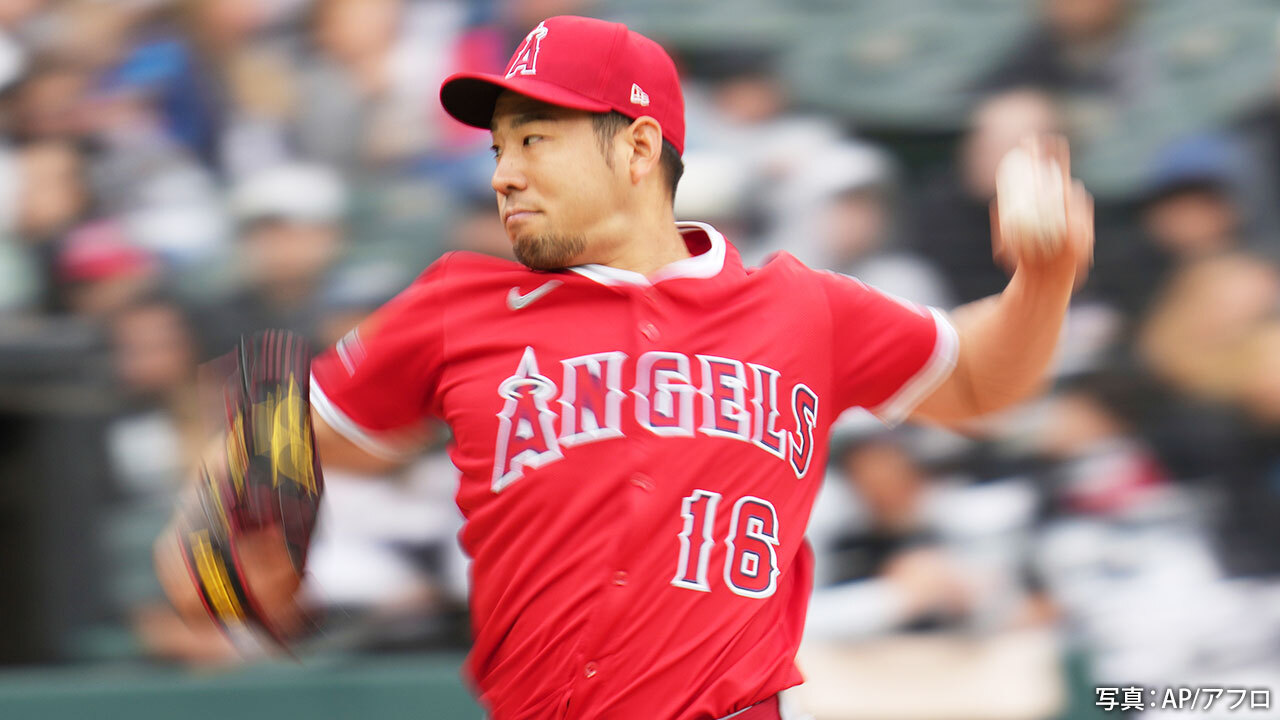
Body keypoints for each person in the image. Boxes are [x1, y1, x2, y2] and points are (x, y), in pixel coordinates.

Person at [155, 15, 1094, 720]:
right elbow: (301, 440)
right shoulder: (456, 305)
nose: (503, 173)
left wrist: (1043, 281)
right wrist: (218, 522)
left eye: (536, 139)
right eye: (499, 146)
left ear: (639, 146)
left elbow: (983, 381)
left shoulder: (801, 308)